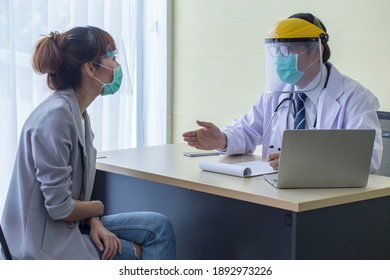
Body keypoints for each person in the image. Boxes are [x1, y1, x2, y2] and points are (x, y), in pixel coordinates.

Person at [1, 26, 176, 260]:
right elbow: (60, 207)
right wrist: (98, 208)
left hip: (65, 227)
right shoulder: (56, 117)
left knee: (158, 226)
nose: (117, 66)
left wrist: (94, 221)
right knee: (135, 252)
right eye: (112, 58)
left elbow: (70, 197)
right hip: (40, 246)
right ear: (91, 68)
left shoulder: (78, 113)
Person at [183, 13, 383, 174]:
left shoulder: (355, 97)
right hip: (276, 191)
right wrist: (222, 139)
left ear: (316, 51)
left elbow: (368, 159)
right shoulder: (277, 92)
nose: (280, 58)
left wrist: (304, 161)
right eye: (276, 51)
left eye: (288, 50)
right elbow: (248, 130)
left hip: (330, 197)